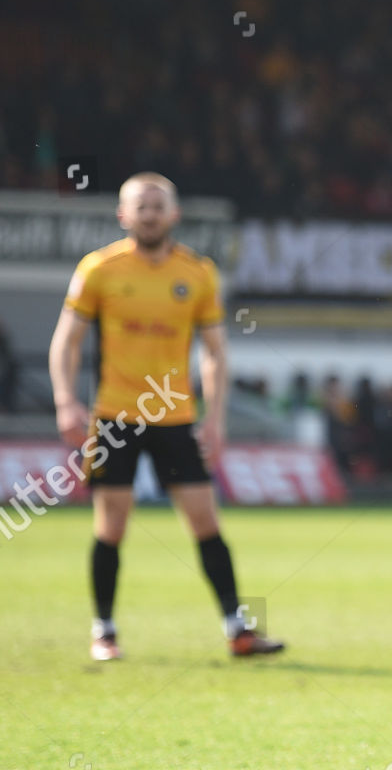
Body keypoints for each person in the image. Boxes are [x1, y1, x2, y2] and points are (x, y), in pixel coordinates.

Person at [48, 172, 283, 661]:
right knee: (111, 527)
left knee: (205, 521)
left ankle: (237, 630)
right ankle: (105, 632)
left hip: (175, 417)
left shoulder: (197, 273)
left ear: (174, 215)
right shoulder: (99, 269)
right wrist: (65, 399)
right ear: (123, 215)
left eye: (158, 206)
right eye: (141, 206)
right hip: (115, 418)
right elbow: (67, 340)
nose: (149, 214)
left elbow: (215, 352)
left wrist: (215, 418)